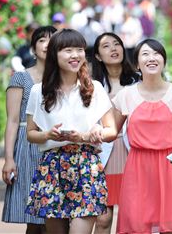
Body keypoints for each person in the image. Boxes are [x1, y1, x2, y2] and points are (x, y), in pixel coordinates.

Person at [25, 29, 118, 234]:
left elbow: (111, 130)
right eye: (68, 50)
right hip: (52, 167)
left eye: (79, 49)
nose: (75, 55)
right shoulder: (37, 91)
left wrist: (87, 135)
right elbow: (30, 133)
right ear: (54, 55)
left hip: (86, 165)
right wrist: (48, 135)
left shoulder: (94, 88)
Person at [112, 38, 172, 233]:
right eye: (145, 54)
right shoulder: (126, 96)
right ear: (137, 63)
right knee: (135, 225)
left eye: (156, 53)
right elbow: (111, 131)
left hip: (170, 167)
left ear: (164, 60)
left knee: (171, 227)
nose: (151, 58)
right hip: (138, 167)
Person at [2, 25, 57, 234]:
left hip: (57, 147)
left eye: (53, 40)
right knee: (34, 218)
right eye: (42, 40)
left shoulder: (66, 78)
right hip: (28, 147)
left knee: (57, 215)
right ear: (33, 48)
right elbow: (13, 120)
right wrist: (9, 158)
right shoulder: (21, 78)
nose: (48, 44)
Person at [91, 33, 139, 234]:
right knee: (103, 218)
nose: (113, 48)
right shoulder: (91, 85)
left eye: (117, 44)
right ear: (98, 56)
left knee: (135, 216)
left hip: (134, 154)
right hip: (102, 154)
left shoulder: (139, 81)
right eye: (106, 46)